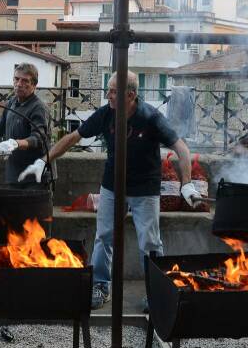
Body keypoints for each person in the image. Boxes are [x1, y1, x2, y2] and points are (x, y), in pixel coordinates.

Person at [18, 71, 200, 308]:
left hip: (145, 189)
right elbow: (73, 138)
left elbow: (181, 148)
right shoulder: (106, 114)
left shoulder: (151, 117)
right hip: (112, 187)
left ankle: (156, 291)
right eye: (109, 89)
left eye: (114, 91)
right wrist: (43, 161)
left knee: (151, 243)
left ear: (131, 95)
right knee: (104, 237)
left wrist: (186, 184)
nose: (108, 95)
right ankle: (101, 285)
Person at [0, 63, 52, 185]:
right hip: (13, 174)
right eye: (16, 79)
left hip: (35, 177)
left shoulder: (38, 108)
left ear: (34, 85)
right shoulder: (12, 103)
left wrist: (15, 143)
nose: (19, 84)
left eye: (25, 81)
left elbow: (38, 138)